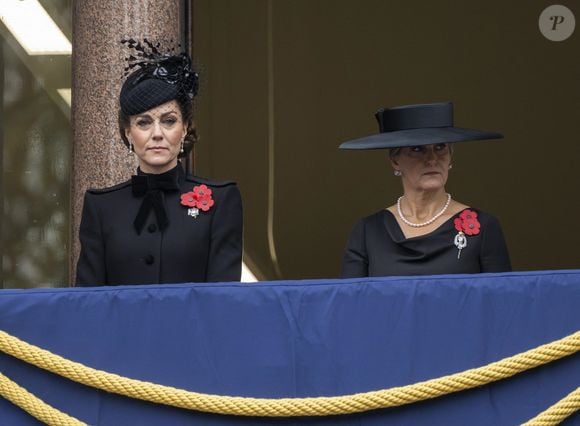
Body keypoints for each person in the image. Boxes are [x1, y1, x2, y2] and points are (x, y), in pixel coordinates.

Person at [76, 40, 243, 286]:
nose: (157, 133)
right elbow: (87, 304)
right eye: (143, 122)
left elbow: (223, 302)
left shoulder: (221, 201)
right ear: (128, 132)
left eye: (168, 121)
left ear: (185, 128)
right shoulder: (101, 207)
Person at [339, 102, 511, 278]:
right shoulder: (368, 231)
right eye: (417, 149)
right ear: (395, 160)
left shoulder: (484, 227)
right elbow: (351, 302)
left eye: (440, 147)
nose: (432, 159)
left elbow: (500, 301)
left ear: (451, 156)